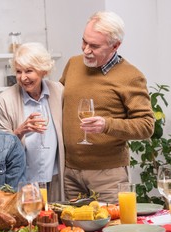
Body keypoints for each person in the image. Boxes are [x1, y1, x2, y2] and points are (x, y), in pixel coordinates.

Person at [60, 11, 154, 203]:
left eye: (94, 46)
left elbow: (146, 126)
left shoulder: (131, 76)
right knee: (74, 231)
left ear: (115, 46)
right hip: (69, 172)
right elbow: (56, 99)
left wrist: (107, 125)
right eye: (84, 41)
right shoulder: (73, 64)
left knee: (112, 230)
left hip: (108, 176)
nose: (86, 50)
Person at [0, 42, 65, 202]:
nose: (23, 77)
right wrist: (20, 131)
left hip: (55, 179)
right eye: (19, 71)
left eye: (29, 71)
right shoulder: (6, 99)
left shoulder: (59, 91)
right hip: (23, 183)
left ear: (43, 70)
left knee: (53, 223)